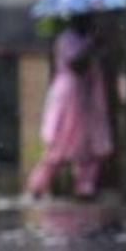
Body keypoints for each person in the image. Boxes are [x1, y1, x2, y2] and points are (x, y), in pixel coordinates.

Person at [26, 14, 113, 199]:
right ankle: (38, 186)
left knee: (89, 146)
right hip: (69, 96)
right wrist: (92, 45)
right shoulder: (66, 39)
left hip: (87, 97)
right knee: (60, 145)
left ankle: (85, 187)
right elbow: (75, 64)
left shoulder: (86, 39)